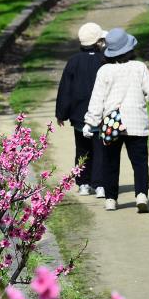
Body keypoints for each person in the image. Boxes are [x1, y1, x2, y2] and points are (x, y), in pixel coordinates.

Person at [83, 28, 149, 213]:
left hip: (112, 122)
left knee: (110, 161)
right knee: (140, 161)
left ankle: (111, 199)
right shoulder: (139, 67)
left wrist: (90, 122)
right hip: (136, 120)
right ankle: (141, 195)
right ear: (129, 49)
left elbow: (97, 99)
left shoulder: (104, 70)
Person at [55, 22, 107, 197]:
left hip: (79, 115)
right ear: (98, 42)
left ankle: (83, 182)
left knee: (82, 149)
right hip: (100, 114)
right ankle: (99, 184)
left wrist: (61, 113)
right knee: (100, 149)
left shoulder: (73, 61)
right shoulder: (104, 60)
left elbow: (65, 89)